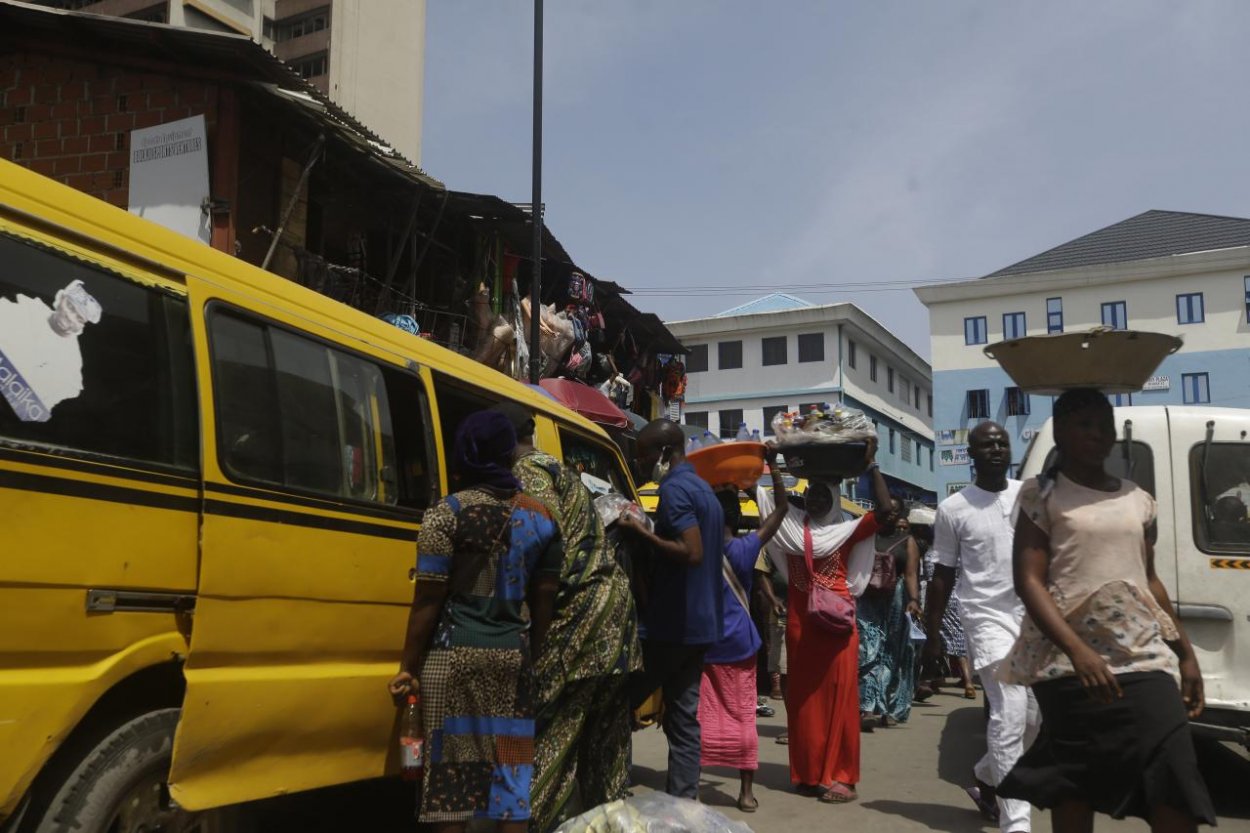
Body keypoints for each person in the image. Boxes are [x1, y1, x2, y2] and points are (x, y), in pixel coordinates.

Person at [998, 389, 1216, 831]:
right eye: (1085, 424)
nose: (1098, 434)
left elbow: (1149, 580)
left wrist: (1185, 653)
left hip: (1143, 654)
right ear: (1059, 431)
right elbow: (1029, 581)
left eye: (1105, 425)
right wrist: (1078, 651)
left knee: (1174, 770)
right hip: (1068, 663)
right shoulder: (1042, 495)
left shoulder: (1138, 498)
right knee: (1075, 783)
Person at [387, 410, 562, 831]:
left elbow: (428, 598)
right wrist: (532, 653)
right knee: (512, 777)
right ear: (508, 454)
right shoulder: (541, 518)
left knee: (453, 781)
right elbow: (545, 597)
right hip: (511, 659)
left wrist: (408, 666)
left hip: (452, 664)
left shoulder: (445, 514)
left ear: (465, 454)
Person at [489, 403, 640, 832]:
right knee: (606, 745)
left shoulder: (529, 475)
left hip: (580, 622)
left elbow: (543, 548)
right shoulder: (562, 471)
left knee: (552, 736)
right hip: (612, 618)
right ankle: (608, 823)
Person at [754, 438, 893, 804]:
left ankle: (842, 777)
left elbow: (886, 510)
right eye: (811, 492)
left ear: (835, 495)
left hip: (836, 630)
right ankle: (809, 773)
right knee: (802, 702)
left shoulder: (848, 529)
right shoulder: (791, 527)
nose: (815, 499)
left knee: (840, 700)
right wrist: (774, 466)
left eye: (822, 493)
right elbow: (772, 502)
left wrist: (871, 464)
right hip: (801, 628)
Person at [923, 421, 1039, 833]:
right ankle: (1017, 824)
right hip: (985, 618)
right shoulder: (953, 508)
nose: (996, 449)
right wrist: (932, 634)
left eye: (1001, 443)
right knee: (1009, 713)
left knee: (1031, 721)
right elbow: (942, 575)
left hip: (1027, 619)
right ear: (971, 454)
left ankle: (986, 776)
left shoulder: (1028, 494)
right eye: (986, 445)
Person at [620, 418, 724, 799]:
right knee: (682, 717)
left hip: (670, 626)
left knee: (617, 704)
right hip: (699, 626)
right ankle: (684, 802)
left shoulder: (676, 490)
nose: (642, 464)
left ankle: (610, 783)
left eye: (644, 456)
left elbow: (691, 552)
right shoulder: (703, 490)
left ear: (664, 453)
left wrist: (641, 534)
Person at [698, 447, 789, 813]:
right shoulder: (746, 548)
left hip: (703, 643)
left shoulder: (695, 550)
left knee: (702, 715)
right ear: (737, 517)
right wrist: (774, 468)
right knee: (742, 715)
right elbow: (781, 510)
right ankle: (745, 792)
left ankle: (691, 786)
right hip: (740, 643)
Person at [857, 497, 922, 728]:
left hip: (895, 599)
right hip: (866, 599)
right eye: (886, 509)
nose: (890, 514)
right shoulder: (866, 535)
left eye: (895, 511)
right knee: (868, 651)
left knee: (892, 654)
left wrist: (914, 600)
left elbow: (912, 573)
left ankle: (886, 707)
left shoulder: (908, 541)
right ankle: (867, 707)